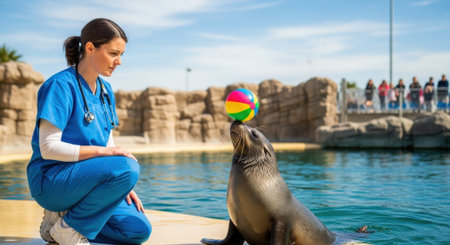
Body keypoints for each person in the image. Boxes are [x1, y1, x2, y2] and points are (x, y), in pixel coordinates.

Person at [26, 18, 151, 245]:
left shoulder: (106, 90)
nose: (119, 61)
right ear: (91, 48)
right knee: (127, 166)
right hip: (52, 181)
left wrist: (122, 184)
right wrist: (115, 164)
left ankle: (59, 224)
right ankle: (69, 229)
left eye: (121, 55)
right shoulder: (60, 86)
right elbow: (48, 148)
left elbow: (108, 141)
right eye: (114, 53)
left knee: (137, 230)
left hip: (89, 180)